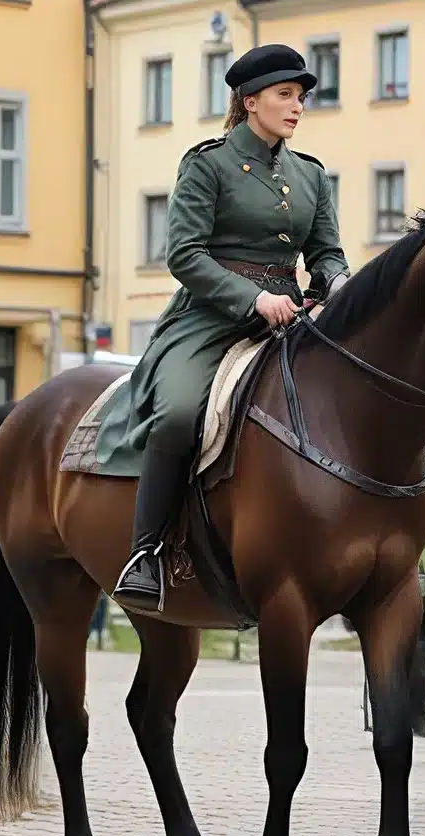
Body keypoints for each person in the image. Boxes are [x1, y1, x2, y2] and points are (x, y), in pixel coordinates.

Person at [110, 44, 351, 613]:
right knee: (176, 415)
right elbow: (185, 255)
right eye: (285, 96)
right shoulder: (208, 164)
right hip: (210, 318)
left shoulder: (310, 175)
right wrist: (253, 299)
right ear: (250, 103)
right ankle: (145, 553)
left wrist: (339, 287)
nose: (297, 107)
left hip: (292, 316)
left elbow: (327, 253)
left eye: (301, 97)